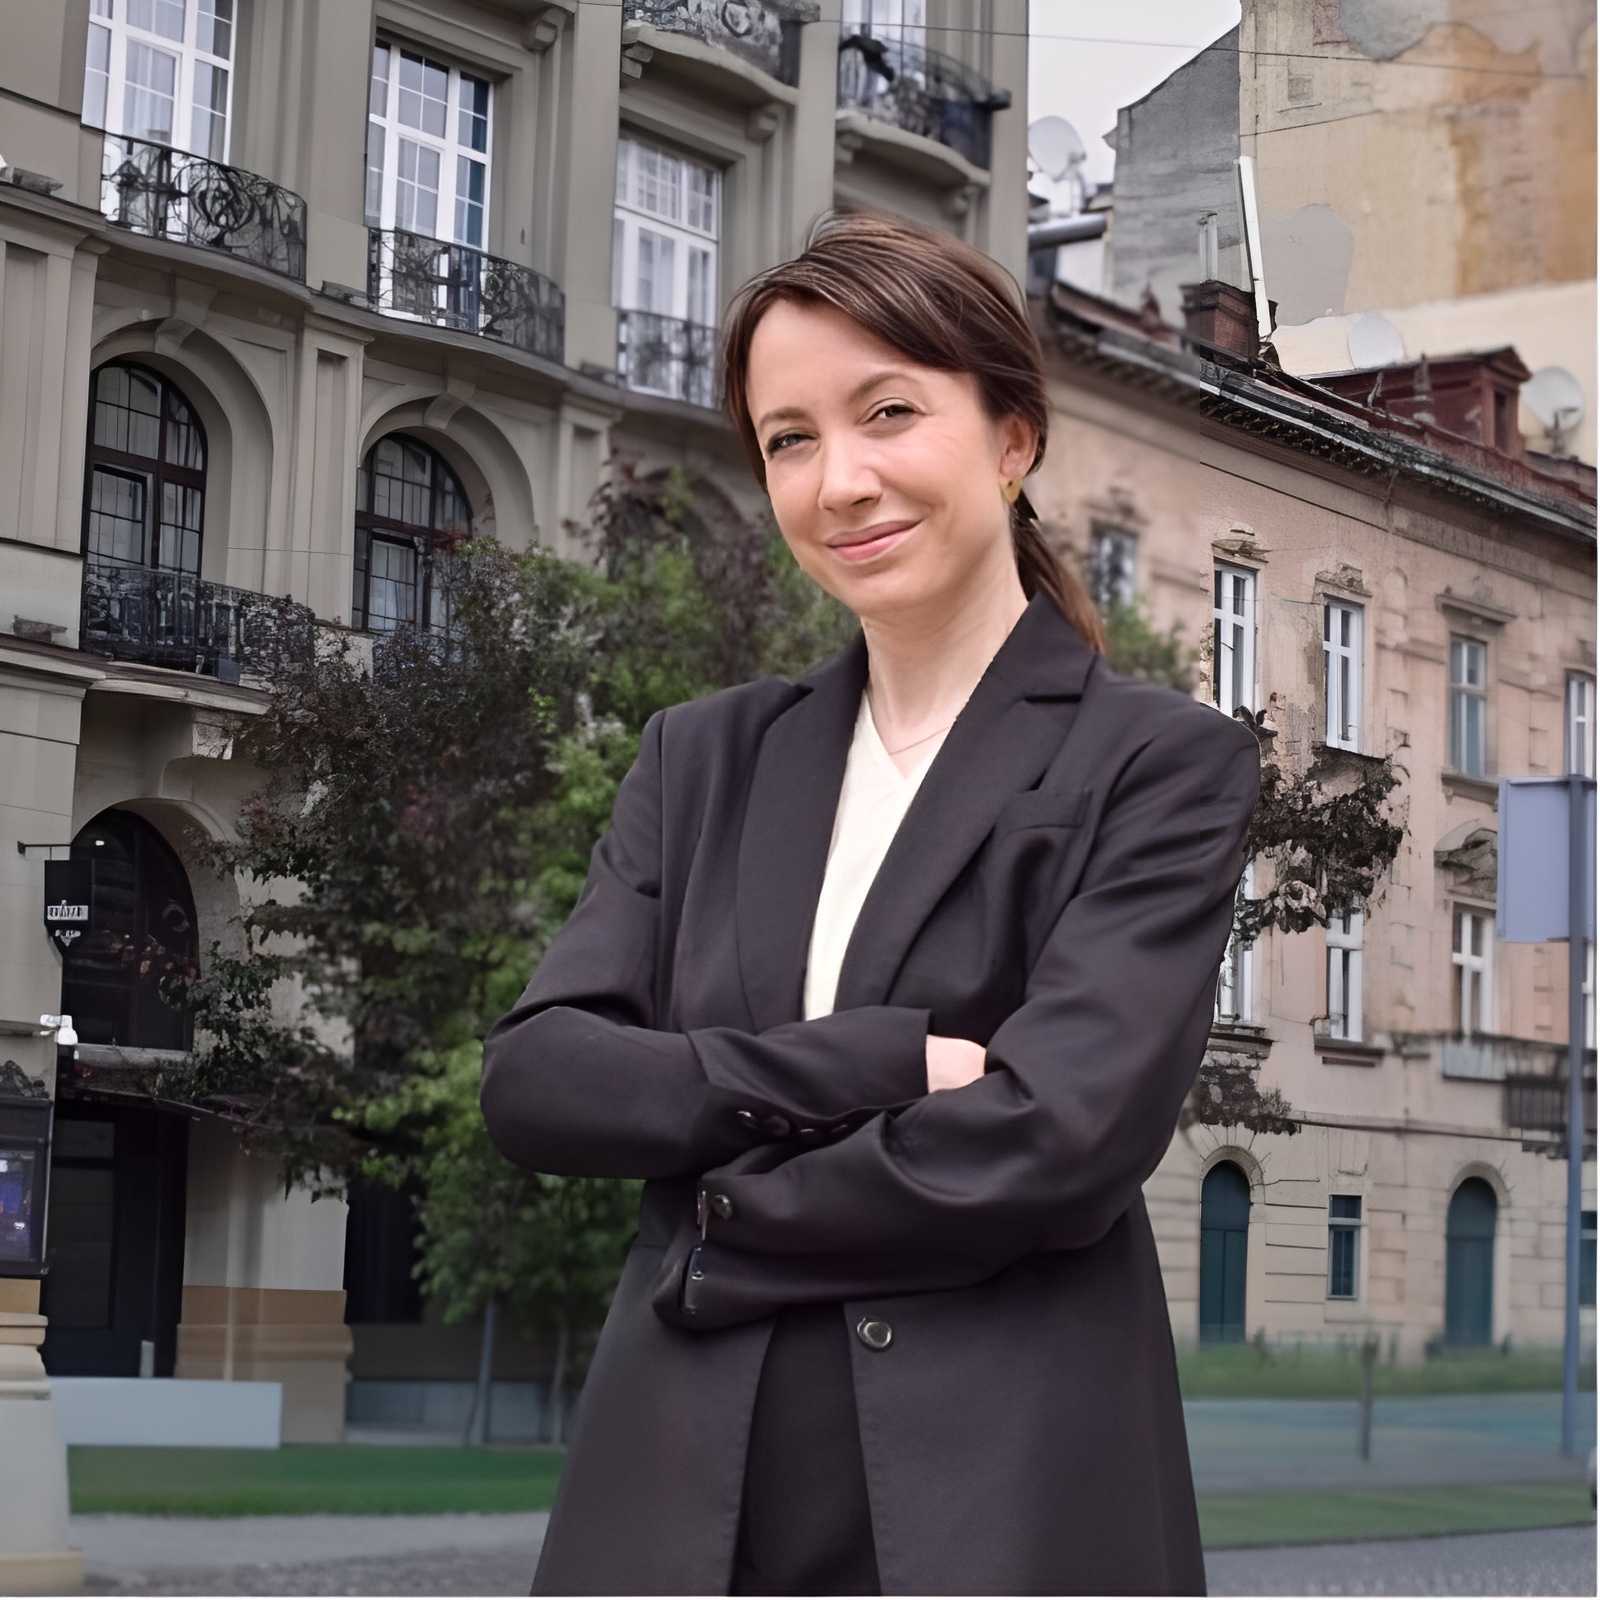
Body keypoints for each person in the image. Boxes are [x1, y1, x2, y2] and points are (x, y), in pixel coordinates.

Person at [480, 210, 1261, 1596]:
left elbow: (1055, 1136)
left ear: (1011, 435)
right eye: (789, 438)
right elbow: (541, 1080)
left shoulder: (1158, 762)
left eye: (887, 411)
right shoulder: (702, 757)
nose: (839, 480)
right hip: (677, 1504)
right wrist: (874, 1063)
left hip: (992, 1506)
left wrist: (714, 1215)